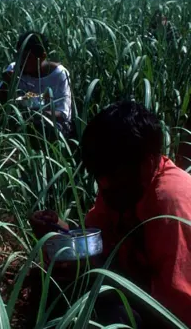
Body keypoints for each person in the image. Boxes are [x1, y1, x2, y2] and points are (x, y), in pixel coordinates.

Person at [30, 101, 191, 327]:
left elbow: (176, 312)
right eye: (99, 174)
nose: (103, 185)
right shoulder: (122, 186)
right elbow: (98, 239)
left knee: (116, 315)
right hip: (145, 290)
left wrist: (98, 273)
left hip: (171, 311)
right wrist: (59, 229)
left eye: (112, 173)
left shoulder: (169, 204)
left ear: (147, 163)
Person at [0, 31, 73, 140]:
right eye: (19, 56)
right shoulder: (15, 68)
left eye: (27, 58)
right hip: (20, 121)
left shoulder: (59, 74)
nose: (22, 62)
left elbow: (63, 113)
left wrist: (31, 115)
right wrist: (8, 84)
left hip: (49, 126)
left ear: (42, 57)